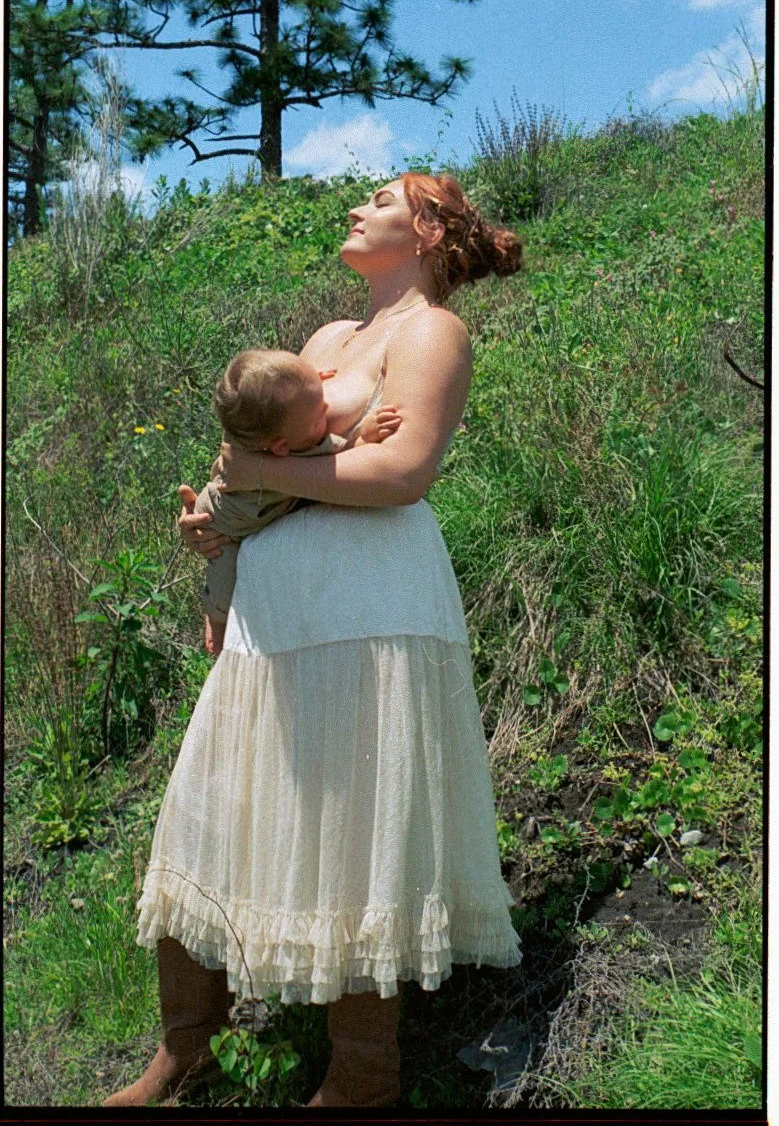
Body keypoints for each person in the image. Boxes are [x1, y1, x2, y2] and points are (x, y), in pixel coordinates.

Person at [103, 172, 525, 1110]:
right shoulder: (329, 339)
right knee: (209, 809)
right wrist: (219, 517)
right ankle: (185, 1050)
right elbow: (271, 457)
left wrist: (255, 475)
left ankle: (362, 1077)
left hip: (370, 607)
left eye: (378, 201)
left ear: (425, 231)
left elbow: (402, 472)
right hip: (276, 614)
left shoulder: (432, 332)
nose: (354, 210)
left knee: (354, 832)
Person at [196, 348, 402, 655]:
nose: (326, 408)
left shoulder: (259, 425)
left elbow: (260, 391)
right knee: (223, 576)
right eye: (318, 416)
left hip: (225, 495)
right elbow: (337, 462)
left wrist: (307, 388)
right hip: (224, 523)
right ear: (281, 447)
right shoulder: (293, 455)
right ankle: (216, 618)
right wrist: (363, 436)